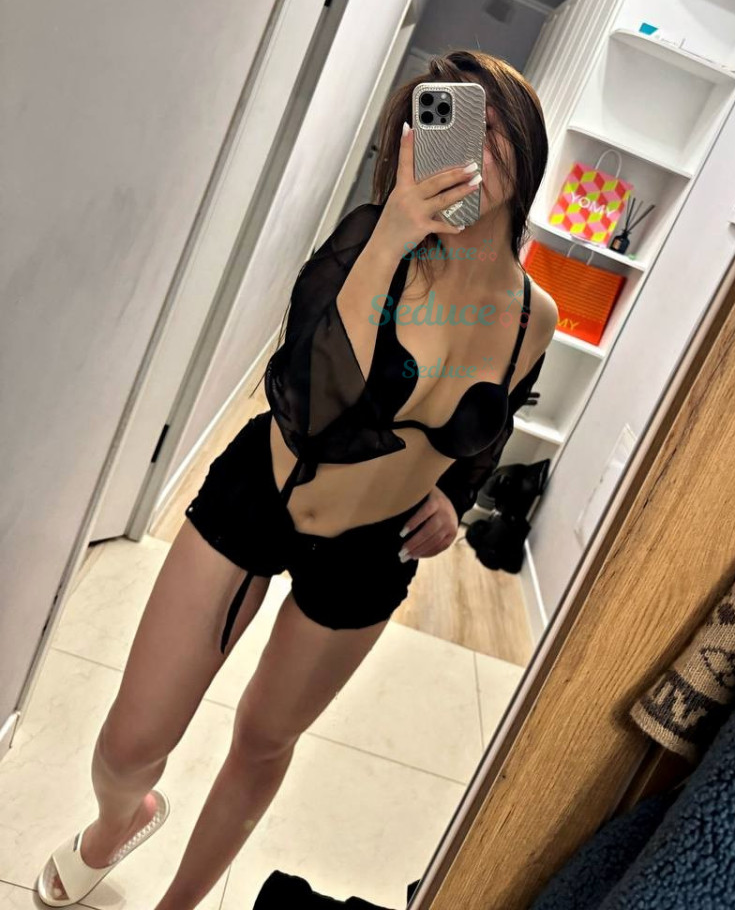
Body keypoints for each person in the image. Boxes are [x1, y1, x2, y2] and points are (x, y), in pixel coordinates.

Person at [36, 50, 558, 909]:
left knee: (263, 741)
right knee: (131, 745)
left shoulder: (536, 317)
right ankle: (114, 824)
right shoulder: (372, 241)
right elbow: (314, 409)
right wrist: (392, 235)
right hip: (267, 497)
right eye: (457, 119)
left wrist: (454, 499)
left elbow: (487, 428)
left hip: (372, 553)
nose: (479, 143)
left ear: (530, 146)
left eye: (499, 123)